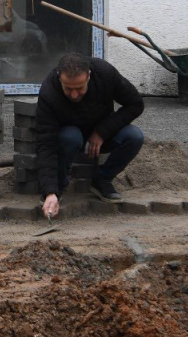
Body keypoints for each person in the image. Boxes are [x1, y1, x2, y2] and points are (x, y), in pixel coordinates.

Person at [36, 53, 145, 217]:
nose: (74, 95)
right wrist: (49, 190)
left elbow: (135, 104)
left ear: (89, 76)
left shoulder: (105, 74)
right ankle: (57, 188)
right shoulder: (49, 92)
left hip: (103, 134)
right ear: (59, 78)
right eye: (68, 89)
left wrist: (102, 132)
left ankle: (102, 179)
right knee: (70, 136)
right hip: (70, 139)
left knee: (135, 136)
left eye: (79, 88)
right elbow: (46, 143)